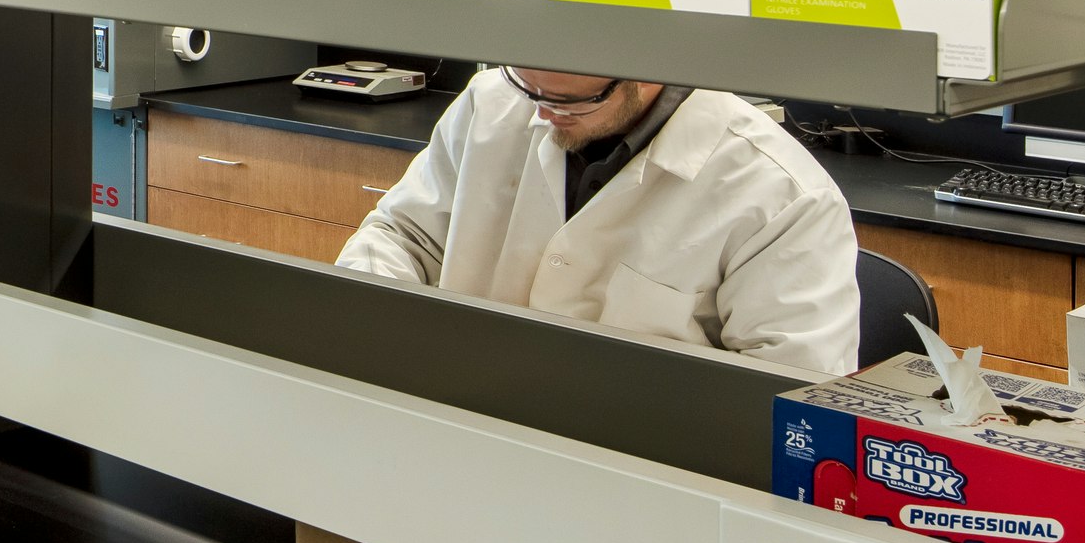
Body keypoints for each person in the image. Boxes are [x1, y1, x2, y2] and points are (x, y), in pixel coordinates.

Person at [336, 65, 860, 377]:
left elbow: (791, 399)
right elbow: (401, 235)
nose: (541, 114)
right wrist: (375, 326)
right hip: (468, 431)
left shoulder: (782, 196)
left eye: (568, 100)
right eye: (528, 87)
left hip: (647, 480)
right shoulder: (493, 103)